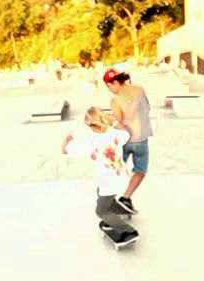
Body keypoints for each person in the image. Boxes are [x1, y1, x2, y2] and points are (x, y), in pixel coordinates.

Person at [62, 107, 139, 247]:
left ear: (88, 124)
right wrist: (114, 122)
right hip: (122, 176)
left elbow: (65, 151)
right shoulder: (114, 133)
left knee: (101, 211)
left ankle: (128, 232)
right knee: (102, 195)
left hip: (108, 181)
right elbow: (128, 134)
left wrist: (66, 141)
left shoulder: (90, 141)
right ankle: (116, 209)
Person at [103, 68, 153, 215]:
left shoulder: (115, 100)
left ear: (115, 82)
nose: (110, 90)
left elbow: (118, 123)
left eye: (109, 86)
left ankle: (109, 202)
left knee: (115, 170)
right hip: (142, 139)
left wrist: (106, 118)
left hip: (125, 141)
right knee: (140, 171)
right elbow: (147, 107)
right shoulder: (140, 89)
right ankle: (125, 198)